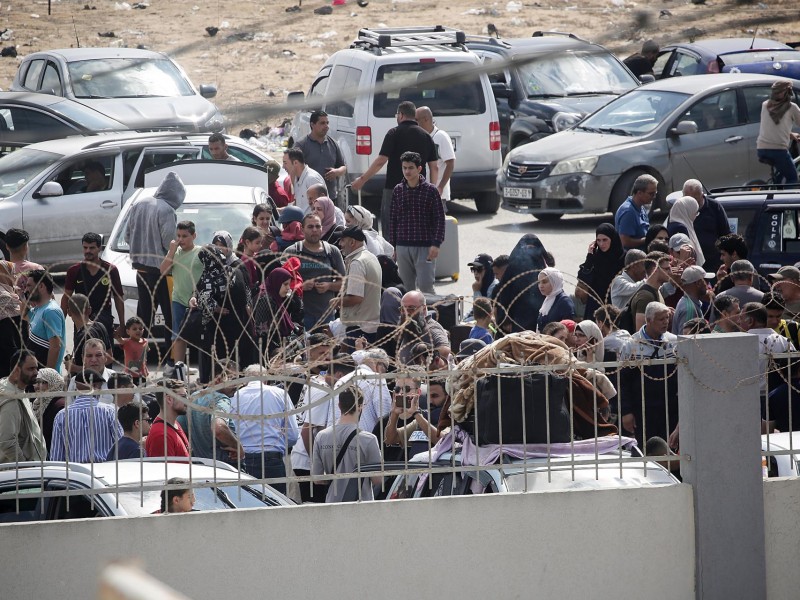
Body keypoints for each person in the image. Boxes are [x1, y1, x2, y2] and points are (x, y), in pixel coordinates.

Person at [351, 100, 438, 234]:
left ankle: (391, 254)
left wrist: (362, 180)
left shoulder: (393, 133)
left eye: (397, 114)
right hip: (420, 190)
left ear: (401, 115)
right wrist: (432, 190)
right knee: (417, 226)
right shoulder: (426, 136)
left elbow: (381, 161)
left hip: (393, 189)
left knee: (391, 228)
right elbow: (434, 167)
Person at [125, 171, 185, 359]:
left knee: (144, 319)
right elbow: (170, 242)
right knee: (170, 317)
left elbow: (127, 235)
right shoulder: (166, 209)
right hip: (162, 272)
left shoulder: (140, 204)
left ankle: (136, 361)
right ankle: (170, 361)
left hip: (140, 270)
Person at [292, 354, 356, 503]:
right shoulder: (324, 391)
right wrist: (318, 467)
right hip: (308, 462)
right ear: (340, 375)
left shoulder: (319, 384)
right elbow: (308, 430)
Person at [231, 364, 299, 494]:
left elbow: (231, 429)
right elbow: (293, 435)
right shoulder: (279, 394)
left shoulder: (234, 397)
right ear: (266, 379)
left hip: (243, 457)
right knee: (276, 505)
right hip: (272, 458)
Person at [620, 302, 679, 446]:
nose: (666, 322)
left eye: (667, 318)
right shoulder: (631, 345)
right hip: (643, 410)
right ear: (648, 320)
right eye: (661, 319)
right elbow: (623, 381)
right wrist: (626, 411)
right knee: (647, 450)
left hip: (669, 408)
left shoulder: (673, 342)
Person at [311, 385, 382, 503]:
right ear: (360, 407)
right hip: (361, 505)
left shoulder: (321, 437)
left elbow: (317, 479)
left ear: (339, 406)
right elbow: (377, 480)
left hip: (333, 504)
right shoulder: (368, 440)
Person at [388, 151, 446, 295]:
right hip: (402, 246)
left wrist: (436, 244)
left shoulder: (431, 191)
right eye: (404, 167)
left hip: (425, 246)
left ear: (419, 169)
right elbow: (393, 219)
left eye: (411, 168)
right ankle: (409, 317)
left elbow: (439, 218)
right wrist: (393, 246)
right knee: (406, 290)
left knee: (426, 287)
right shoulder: (398, 190)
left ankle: (431, 315)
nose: (407, 171)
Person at [194, 246, 255, 377]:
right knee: (236, 360)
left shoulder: (210, 277)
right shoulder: (235, 272)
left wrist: (216, 308)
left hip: (219, 328)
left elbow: (204, 301)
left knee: (219, 363)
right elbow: (247, 293)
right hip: (240, 324)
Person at [283, 213, 344, 332]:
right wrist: (300, 287)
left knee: (326, 350)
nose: (314, 230)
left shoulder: (332, 252)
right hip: (301, 317)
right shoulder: (292, 252)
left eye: (317, 226)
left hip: (327, 316)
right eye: (310, 227)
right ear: (302, 228)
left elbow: (344, 283)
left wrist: (329, 286)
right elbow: (279, 286)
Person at [176, 360, 243, 463]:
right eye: (233, 379)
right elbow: (219, 428)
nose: (236, 385)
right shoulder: (221, 399)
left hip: (201, 466)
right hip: (225, 467)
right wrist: (238, 446)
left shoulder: (194, 397)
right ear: (218, 380)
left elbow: (179, 427)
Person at [50, 369, 122, 463]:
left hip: (76, 474)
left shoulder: (62, 415)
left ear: (76, 387)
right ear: (96, 387)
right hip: (105, 470)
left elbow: (57, 457)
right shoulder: (109, 411)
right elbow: (121, 443)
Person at [61, 232, 124, 338]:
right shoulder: (74, 270)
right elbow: (66, 298)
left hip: (104, 322)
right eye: (85, 247)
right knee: (82, 353)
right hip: (81, 323)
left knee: (105, 353)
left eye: (92, 248)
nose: (88, 251)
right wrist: (60, 325)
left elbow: (118, 297)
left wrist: (122, 324)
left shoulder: (110, 270)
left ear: (99, 248)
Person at [160, 220, 203, 366]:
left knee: (201, 334)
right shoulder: (174, 253)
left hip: (197, 300)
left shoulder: (200, 252)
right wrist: (171, 251)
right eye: (178, 236)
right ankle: (179, 367)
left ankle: (204, 367)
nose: (181, 239)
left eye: (185, 236)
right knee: (178, 336)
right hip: (179, 299)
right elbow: (163, 271)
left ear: (194, 236)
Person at [333, 226, 382, 349]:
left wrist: (337, 302)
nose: (340, 244)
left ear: (352, 242)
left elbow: (356, 298)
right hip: (370, 324)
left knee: (357, 364)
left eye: (342, 240)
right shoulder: (370, 257)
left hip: (359, 327)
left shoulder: (357, 263)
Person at [495, 234, 549, 332]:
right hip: (518, 318)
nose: (529, 250)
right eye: (526, 247)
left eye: (532, 247)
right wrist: (505, 319)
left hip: (540, 317)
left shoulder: (542, 265)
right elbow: (504, 293)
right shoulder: (514, 266)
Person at [0, 350, 46, 463]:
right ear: (16, 371)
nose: (36, 372)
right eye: (30, 369)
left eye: (36, 368)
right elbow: (7, 442)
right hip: (21, 475)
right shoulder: (11, 400)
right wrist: (24, 467)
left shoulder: (19, 391)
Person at [292, 110, 347, 203]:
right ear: (312, 125)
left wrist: (336, 172)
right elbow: (292, 169)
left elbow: (343, 167)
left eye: (327, 123)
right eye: (322, 123)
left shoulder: (333, 144)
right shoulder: (301, 145)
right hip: (309, 200)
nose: (326, 126)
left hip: (330, 198)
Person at [680, 179, 729, 274]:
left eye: (695, 200)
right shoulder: (679, 210)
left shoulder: (714, 207)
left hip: (713, 263)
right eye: (688, 200)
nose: (692, 204)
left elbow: (725, 234)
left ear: (702, 195)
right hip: (689, 264)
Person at [756, 79, 800, 184]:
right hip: (778, 150)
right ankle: (786, 199)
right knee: (792, 178)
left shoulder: (765, 104)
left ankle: (776, 187)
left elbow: (773, 127)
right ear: (788, 92)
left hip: (761, 148)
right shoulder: (791, 107)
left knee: (782, 172)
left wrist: (790, 134)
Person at [577, 223, 625, 318]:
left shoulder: (623, 257)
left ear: (612, 239)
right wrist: (589, 257)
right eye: (598, 240)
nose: (601, 244)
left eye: (605, 240)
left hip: (614, 303)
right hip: (595, 304)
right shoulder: (595, 257)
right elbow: (582, 280)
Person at [23, 270, 66, 371]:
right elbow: (24, 316)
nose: (26, 290)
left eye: (29, 286)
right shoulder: (39, 308)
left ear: (41, 286)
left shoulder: (50, 311)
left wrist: (46, 377)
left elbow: (55, 347)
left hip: (45, 379)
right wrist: (25, 297)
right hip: (36, 376)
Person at [415, 105, 455, 211]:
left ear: (426, 119)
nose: (415, 123)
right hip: (422, 194)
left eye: (416, 120)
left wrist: (440, 186)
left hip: (438, 195)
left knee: (437, 226)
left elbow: (450, 164)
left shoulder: (441, 137)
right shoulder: (420, 137)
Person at [257, 267, 302, 358]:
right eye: (285, 284)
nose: (288, 288)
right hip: (268, 353)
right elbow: (262, 332)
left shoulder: (276, 298)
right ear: (276, 282)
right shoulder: (266, 300)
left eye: (289, 284)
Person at [396, 291, 451, 365]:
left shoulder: (431, 328)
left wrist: (427, 366)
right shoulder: (409, 327)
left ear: (424, 309)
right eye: (403, 309)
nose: (406, 313)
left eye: (411, 308)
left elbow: (445, 350)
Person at [64, 293, 112, 376]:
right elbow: (110, 358)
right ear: (89, 310)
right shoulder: (100, 326)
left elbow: (92, 368)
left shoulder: (83, 336)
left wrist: (73, 367)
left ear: (69, 312)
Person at [145, 378, 190, 458]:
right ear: (169, 399)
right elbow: (165, 470)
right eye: (184, 396)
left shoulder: (174, 423)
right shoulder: (161, 436)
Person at [614, 174, 657, 251]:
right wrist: (649, 239)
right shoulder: (628, 211)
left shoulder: (641, 207)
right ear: (639, 193)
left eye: (655, 193)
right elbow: (625, 242)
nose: (654, 197)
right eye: (651, 194)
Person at [629, 252, 670, 331]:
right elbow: (641, 333)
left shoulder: (657, 291)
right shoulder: (645, 297)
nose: (670, 272)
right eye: (667, 269)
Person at [30, 367, 66, 454]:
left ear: (54, 383)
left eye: (43, 382)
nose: (37, 386)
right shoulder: (37, 403)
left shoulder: (60, 405)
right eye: (36, 382)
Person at [282, 147, 326, 213]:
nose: (283, 166)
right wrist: (279, 211)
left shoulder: (312, 178)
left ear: (295, 163)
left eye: (285, 163)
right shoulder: (296, 179)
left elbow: (322, 207)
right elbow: (299, 205)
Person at [672, 265, 713, 335]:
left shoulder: (689, 303)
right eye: (706, 281)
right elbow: (685, 341)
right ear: (698, 283)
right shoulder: (690, 309)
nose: (708, 285)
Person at [667, 196, 706, 267]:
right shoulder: (680, 227)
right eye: (695, 212)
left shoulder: (672, 224)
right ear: (688, 211)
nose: (695, 216)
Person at [4, 228, 43, 299]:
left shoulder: (2, 269)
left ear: (7, 246)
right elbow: (48, 295)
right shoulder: (36, 268)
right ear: (26, 247)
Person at [0, 260, 22, 379]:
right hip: (8, 358)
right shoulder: (4, 296)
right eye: (12, 273)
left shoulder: (12, 292)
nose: (14, 277)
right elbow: (7, 338)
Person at [536, 267, 575, 332]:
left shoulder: (564, 302)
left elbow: (567, 331)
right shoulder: (548, 299)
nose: (541, 285)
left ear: (554, 281)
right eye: (539, 282)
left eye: (544, 282)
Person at [115, 316, 149, 383]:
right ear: (128, 331)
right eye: (134, 329)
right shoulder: (127, 342)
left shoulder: (145, 341)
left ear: (143, 330)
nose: (138, 331)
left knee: (141, 392)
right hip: (129, 375)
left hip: (142, 374)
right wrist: (117, 335)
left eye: (140, 328)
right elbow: (120, 340)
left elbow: (145, 356)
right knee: (131, 392)